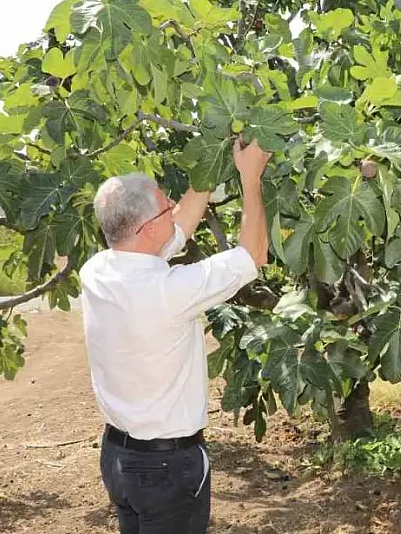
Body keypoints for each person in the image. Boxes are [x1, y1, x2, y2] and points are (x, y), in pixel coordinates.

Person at [80, 136, 271, 533]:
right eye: (166, 207)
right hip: (166, 469)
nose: (174, 211)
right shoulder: (169, 291)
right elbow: (254, 254)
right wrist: (250, 178)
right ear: (146, 228)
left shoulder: (98, 270)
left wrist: (214, 161)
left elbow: (177, 226)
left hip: (118, 457)